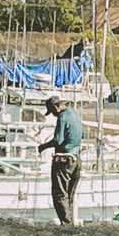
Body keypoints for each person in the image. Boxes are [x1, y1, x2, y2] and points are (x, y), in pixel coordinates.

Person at [38, 94, 85, 227]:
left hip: (64, 159)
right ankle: (70, 222)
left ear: (55, 108)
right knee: (69, 195)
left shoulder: (62, 117)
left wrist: (43, 146)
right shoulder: (74, 114)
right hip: (76, 160)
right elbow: (83, 134)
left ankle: (66, 225)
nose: (53, 115)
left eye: (52, 112)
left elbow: (58, 140)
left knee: (59, 194)